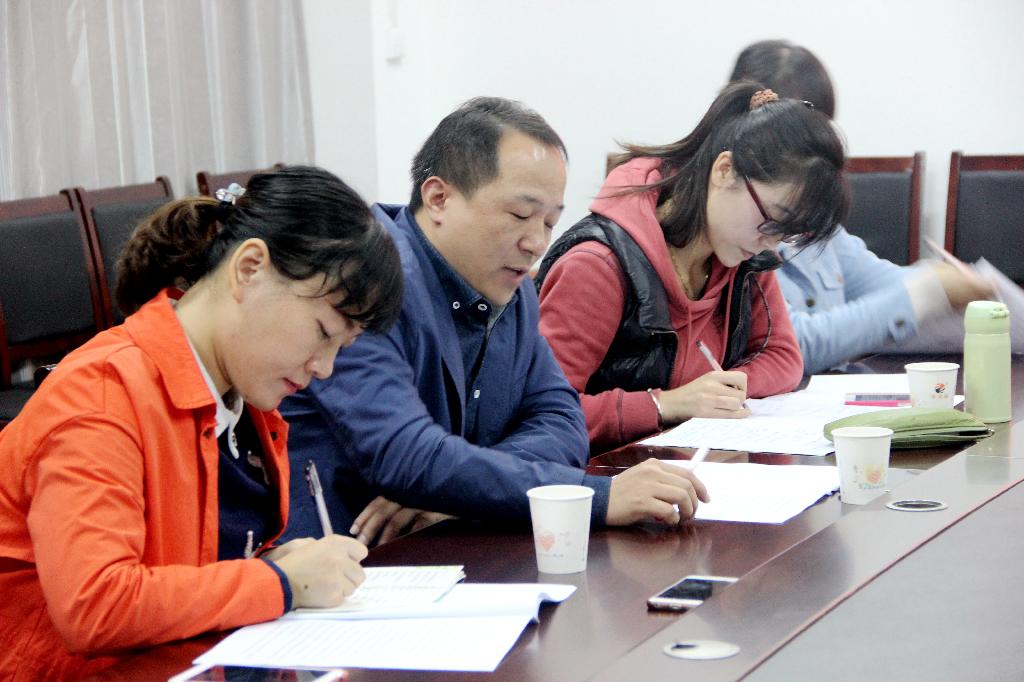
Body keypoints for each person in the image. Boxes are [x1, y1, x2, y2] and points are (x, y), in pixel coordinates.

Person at [0, 166, 404, 680]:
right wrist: (277, 582)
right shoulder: (101, 394)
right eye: (323, 332)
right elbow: (95, 605)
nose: (324, 368)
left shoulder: (245, 398)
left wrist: (277, 564)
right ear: (250, 268)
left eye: (341, 348)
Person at [281, 97, 708, 547]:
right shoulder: (368, 282)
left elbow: (563, 422)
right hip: (343, 559)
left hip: (450, 547)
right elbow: (405, 456)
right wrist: (593, 499)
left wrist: (463, 490)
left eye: (550, 222)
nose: (536, 243)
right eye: (520, 215)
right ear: (439, 198)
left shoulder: (511, 288)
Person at [537, 82, 848, 452]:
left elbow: (783, 357)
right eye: (771, 221)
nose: (772, 242)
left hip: (683, 464)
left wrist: (723, 390)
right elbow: (543, 414)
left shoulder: (744, 254)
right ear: (724, 170)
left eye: (787, 232)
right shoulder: (598, 265)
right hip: (601, 476)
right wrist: (666, 404)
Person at [728, 40, 994, 374]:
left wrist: (947, 280)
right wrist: (926, 293)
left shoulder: (816, 217)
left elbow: (877, 279)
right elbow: (792, 345)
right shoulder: (734, 230)